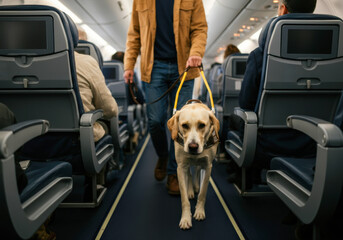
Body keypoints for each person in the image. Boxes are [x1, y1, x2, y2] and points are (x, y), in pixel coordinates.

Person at [228, 0, 317, 183]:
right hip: (316, 141)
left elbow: (246, 103)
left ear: (282, 9)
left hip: (269, 143)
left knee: (240, 119)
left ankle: (246, 175)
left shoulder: (260, 56)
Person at [123, 0, 208, 195]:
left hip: (184, 67)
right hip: (153, 68)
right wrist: (129, 65)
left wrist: (196, 52)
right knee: (155, 121)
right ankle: (163, 155)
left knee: (181, 123)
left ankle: (173, 172)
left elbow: (199, 29)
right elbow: (134, 34)